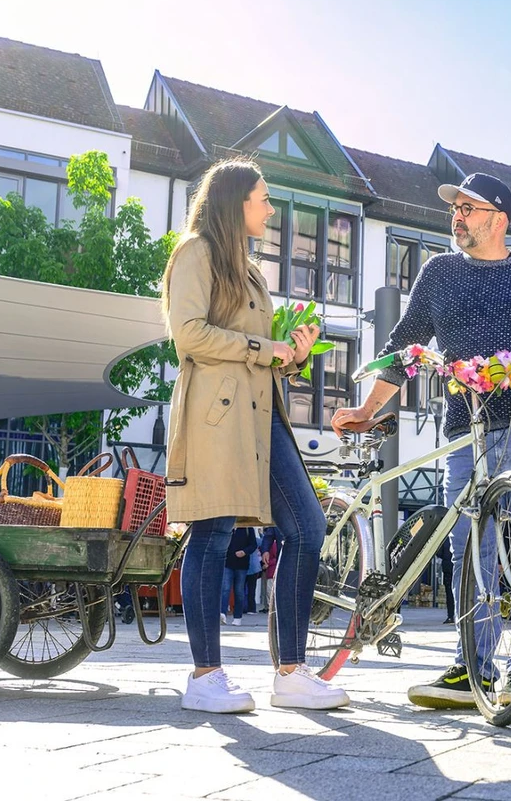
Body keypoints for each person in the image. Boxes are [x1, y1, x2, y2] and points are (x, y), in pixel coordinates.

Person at [332, 172, 511, 709]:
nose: (457, 216)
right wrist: (366, 410)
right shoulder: (439, 273)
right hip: (466, 429)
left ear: (498, 219)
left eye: (468, 208)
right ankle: (471, 666)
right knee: (468, 547)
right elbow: (404, 347)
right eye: (455, 208)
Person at [162, 158, 349, 713]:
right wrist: (266, 349)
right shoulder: (195, 253)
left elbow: (256, 353)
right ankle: (204, 677)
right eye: (263, 199)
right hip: (216, 418)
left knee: (308, 527)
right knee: (213, 532)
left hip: (263, 415)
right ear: (235, 201)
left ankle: (291, 673)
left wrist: (293, 354)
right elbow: (188, 334)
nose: (270, 209)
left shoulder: (249, 270)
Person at [221, 527, 257, 626]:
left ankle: (237, 617)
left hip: (242, 565)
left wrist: (244, 552)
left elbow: (253, 545)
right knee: (225, 589)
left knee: (239, 591)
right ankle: (222, 614)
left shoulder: (248, 528)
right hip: (227, 563)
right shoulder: (227, 526)